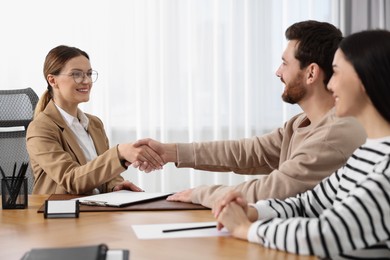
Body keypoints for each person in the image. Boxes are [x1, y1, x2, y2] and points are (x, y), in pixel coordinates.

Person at [134, 20, 366, 208]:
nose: (278, 72)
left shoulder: (333, 134)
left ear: (311, 73)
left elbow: (271, 191)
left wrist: (201, 193)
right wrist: (169, 152)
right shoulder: (300, 123)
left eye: (285, 64)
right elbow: (248, 152)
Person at [213, 29, 390, 259]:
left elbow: (325, 233)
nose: (331, 85)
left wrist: (246, 229)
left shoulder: (386, 168)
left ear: (364, 79)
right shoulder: (365, 154)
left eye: (336, 73)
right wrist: (253, 211)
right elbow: (306, 205)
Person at [26, 45, 164, 194]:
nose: (86, 81)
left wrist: (115, 185)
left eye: (89, 74)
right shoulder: (40, 128)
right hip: (62, 213)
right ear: (53, 80)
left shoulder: (94, 124)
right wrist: (119, 153)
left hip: (96, 209)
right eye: (76, 74)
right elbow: (71, 180)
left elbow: (104, 175)